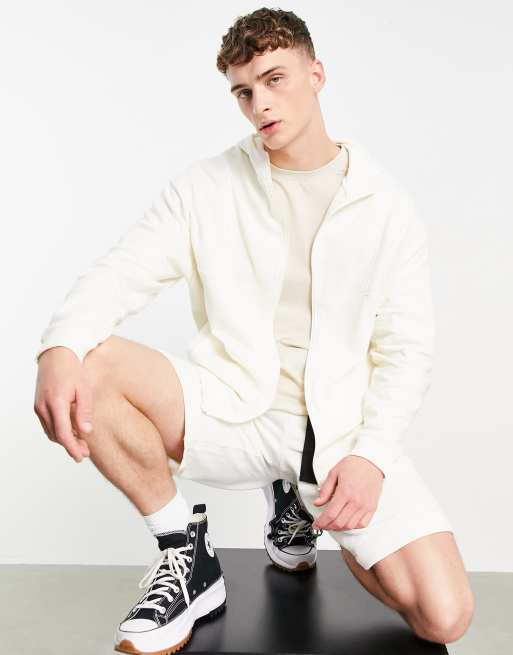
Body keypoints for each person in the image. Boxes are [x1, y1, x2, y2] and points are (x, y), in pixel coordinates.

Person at [33, 7, 474, 653]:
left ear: (315, 75)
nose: (259, 103)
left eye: (274, 79)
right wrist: (58, 347)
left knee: (445, 616)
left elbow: (406, 350)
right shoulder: (206, 186)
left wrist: (370, 458)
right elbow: (122, 271)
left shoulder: (385, 207)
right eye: (243, 91)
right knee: (90, 362)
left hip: (336, 433)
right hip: (233, 407)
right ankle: (184, 551)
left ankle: (303, 504)